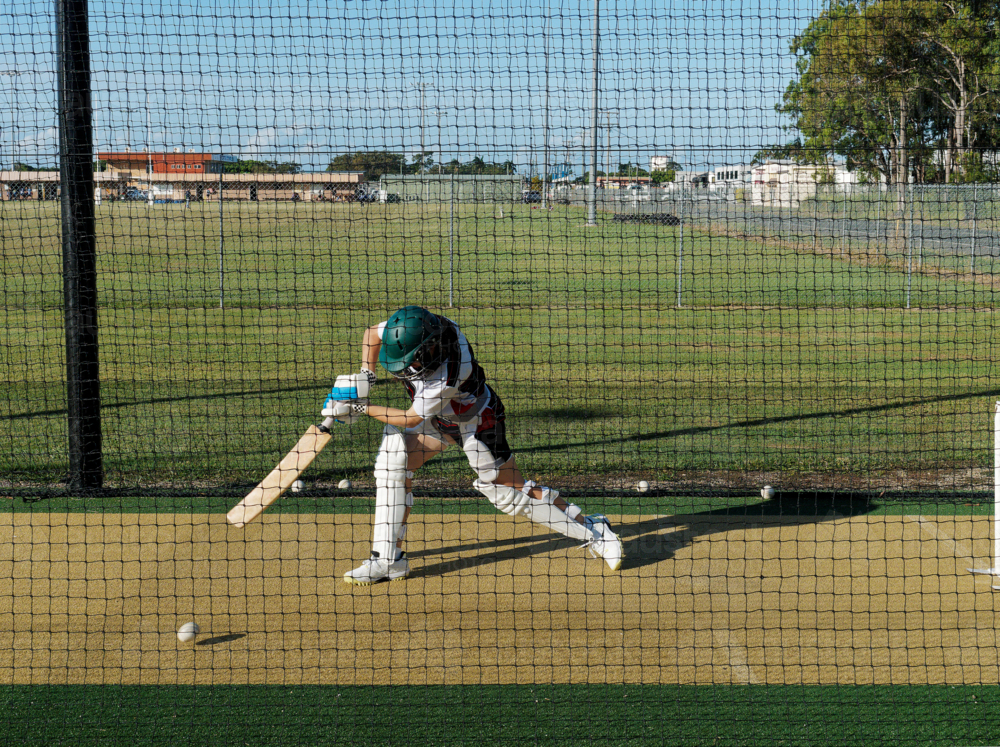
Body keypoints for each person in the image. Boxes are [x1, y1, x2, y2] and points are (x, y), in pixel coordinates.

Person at [323, 305, 623, 585]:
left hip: (476, 420)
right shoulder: (411, 325)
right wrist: (366, 374)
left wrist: (360, 407)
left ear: (430, 348)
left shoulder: (451, 370)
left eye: (412, 359)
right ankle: (389, 561)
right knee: (392, 461)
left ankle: (595, 530)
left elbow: (409, 417)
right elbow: (371, 334)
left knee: (507, 490)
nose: (408, 366)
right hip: (438, 418)